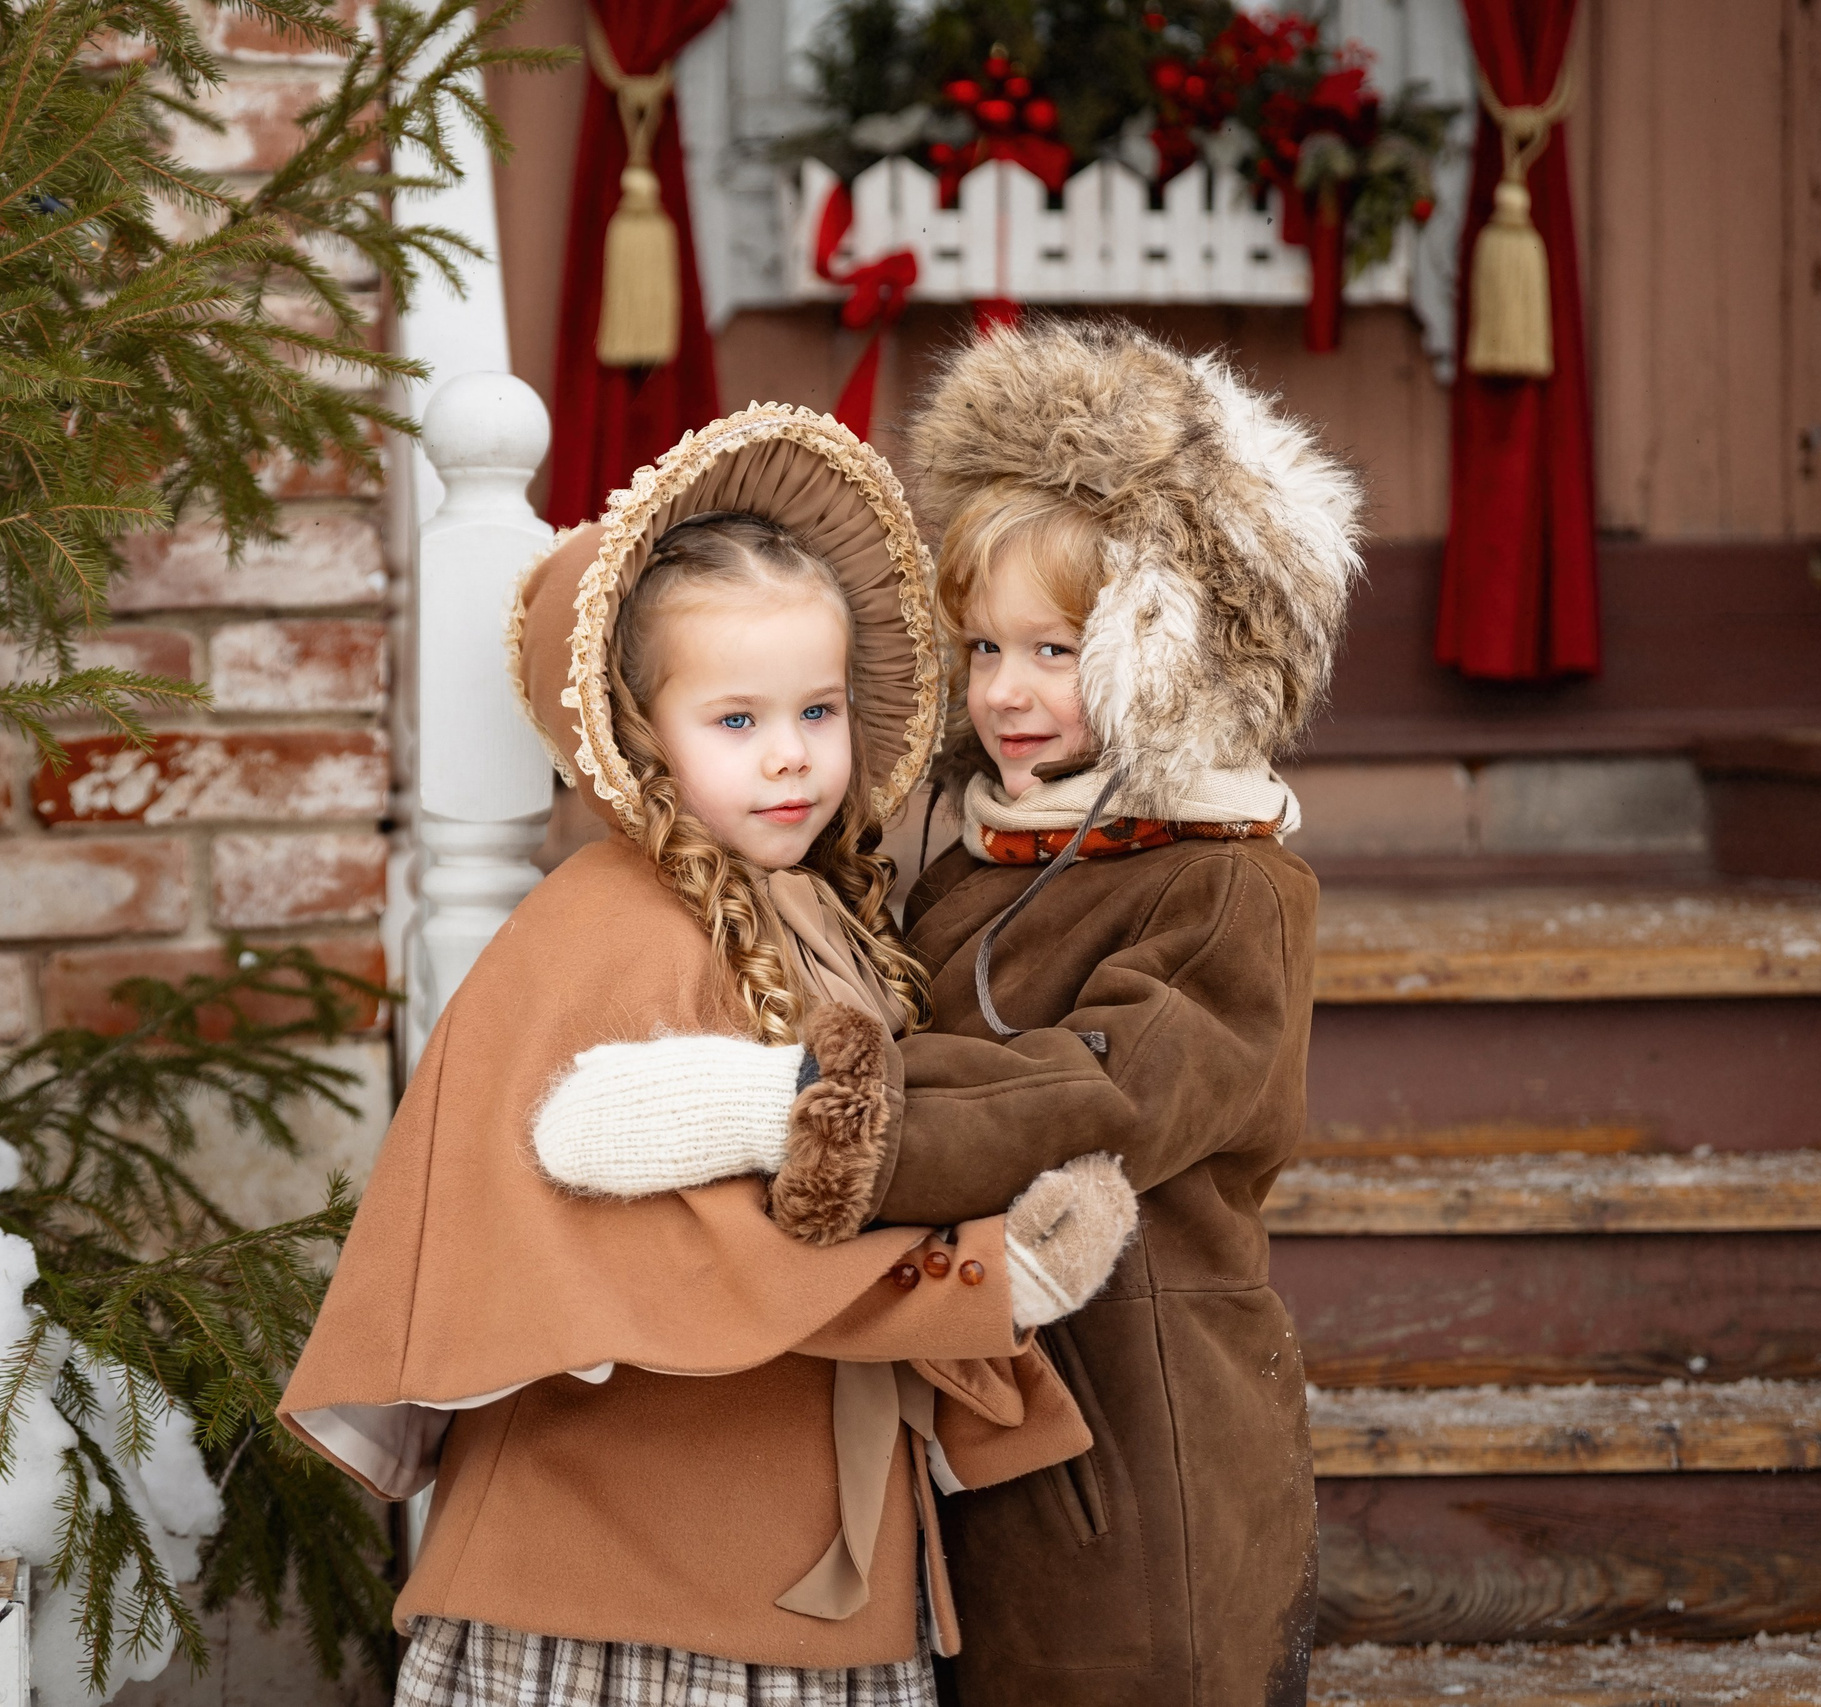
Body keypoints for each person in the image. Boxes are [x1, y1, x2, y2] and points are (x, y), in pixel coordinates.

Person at [533, 323, 1363, 1707]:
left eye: (1056, 648)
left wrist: (795, 1114)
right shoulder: (986, 856)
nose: (1005, 691)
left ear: (1171, 656)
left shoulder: (1225, 888)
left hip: (1139, 1435)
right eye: (983, 645)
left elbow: (1095, 1095)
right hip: (981, 1398)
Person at [279, 403, 1141, 1707]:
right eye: (736, 721)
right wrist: (962, 1266)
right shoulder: (614, 921)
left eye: (817, 709)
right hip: (633, 1561)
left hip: (784, 1532)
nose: (791, 755)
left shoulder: (824, 912)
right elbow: (628, 1174)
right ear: (641, 733)